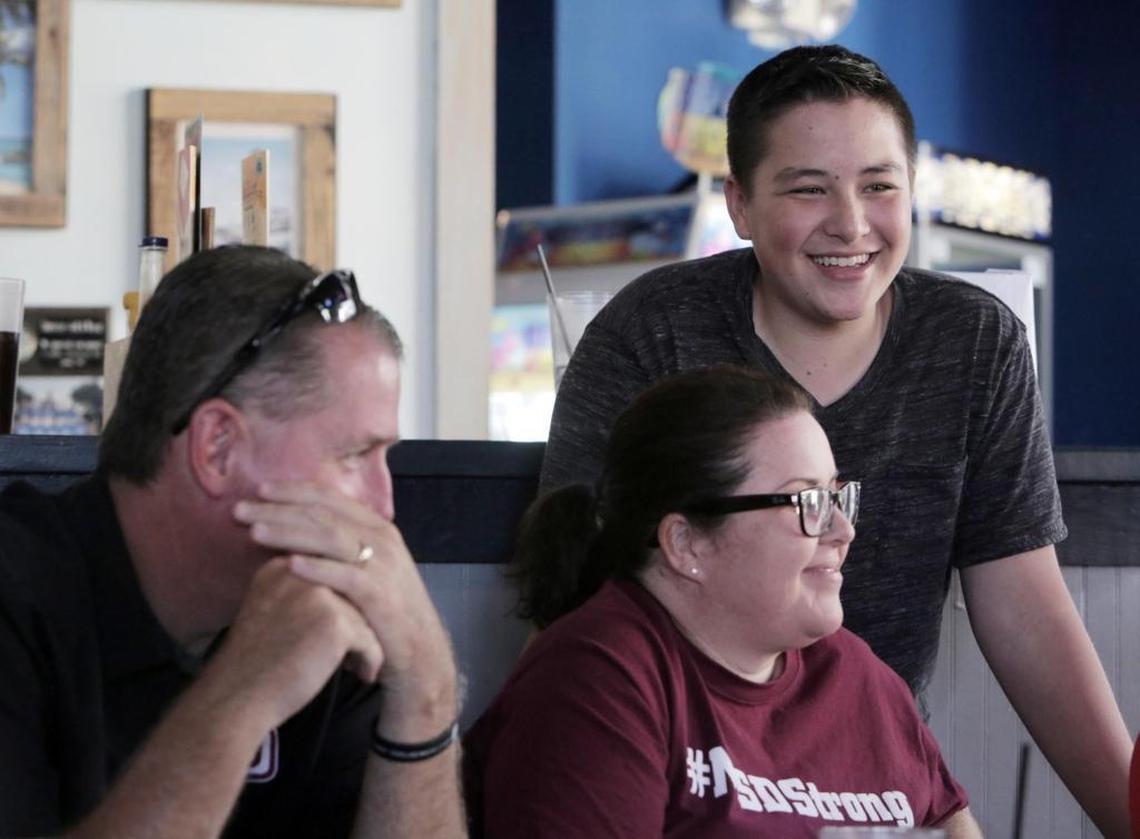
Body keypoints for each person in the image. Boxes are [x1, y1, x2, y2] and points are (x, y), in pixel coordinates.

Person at [538, 44, 1132, 836]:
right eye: (808, 189)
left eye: (879, 186)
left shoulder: (974, 341)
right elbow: (573, 598)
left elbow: (1025, 607)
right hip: (686, 780)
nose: (850, 224)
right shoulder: (650, 331)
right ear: (740, 205)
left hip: (875, 779)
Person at [0, 246, 465, 838]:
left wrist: (426, 685)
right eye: (353, 455)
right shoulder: (18, 595)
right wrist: (244, 691)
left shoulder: (327, 601)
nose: (383, 507)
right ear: (217, 446)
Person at [466, 366, 981, 838]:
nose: (842, 531)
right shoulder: (596, 678)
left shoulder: (857, 675)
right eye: (808, 502)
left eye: (837, 497)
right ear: (687, 544)